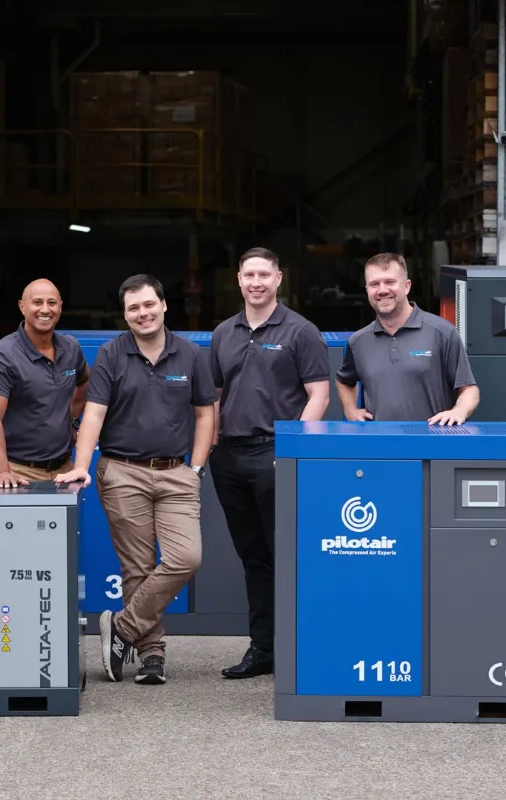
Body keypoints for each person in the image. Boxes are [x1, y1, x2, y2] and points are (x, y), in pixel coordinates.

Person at [55, 274, 215, 685]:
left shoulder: (191, 355)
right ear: (125, 315)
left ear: (164, 306)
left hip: (176, 473)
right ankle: (152, 655)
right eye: (133, 309)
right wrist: (81, 465)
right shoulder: (111, 354)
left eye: (148, 305)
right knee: (137, 567)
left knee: (186, 558)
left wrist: (195, 469)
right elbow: (93, 414)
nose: (142, 314)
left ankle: (121, 628)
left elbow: (205, 414)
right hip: (122, 471)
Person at [208, 247, 330, 679]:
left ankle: (303, 651)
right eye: (248, 275)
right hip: (231, 459)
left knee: (289, 556)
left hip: (276, 454)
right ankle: (264, 651)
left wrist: (291, 448)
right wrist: (209, 448)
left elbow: (319, 394)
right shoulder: (224, 332)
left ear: (279, 278)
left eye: (264, 274)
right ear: (238, 280)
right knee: (254, 558)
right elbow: (215, 397)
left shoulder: (301, 331)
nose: (256, 282)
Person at [336, 252, 479, 424]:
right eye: (374, 284)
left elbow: (469, 389)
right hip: (379, 445)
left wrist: (459, 411)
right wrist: (350, 410)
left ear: (407, 286)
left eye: (390, 282)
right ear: (367, 290)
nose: (382, 290)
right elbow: (343, 381)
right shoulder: (358, 342)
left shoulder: (442, 333)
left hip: (431, 443)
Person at [0, 278, 89, 488]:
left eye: (52, 303)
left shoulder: (71, 348)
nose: (45, 310)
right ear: (22, 307)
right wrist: (2, 472)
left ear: (61, 307)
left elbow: (83, 381)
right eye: (37, 302)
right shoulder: (2, 356)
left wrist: (73, 422)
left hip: (64, 471)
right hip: (17, 473)